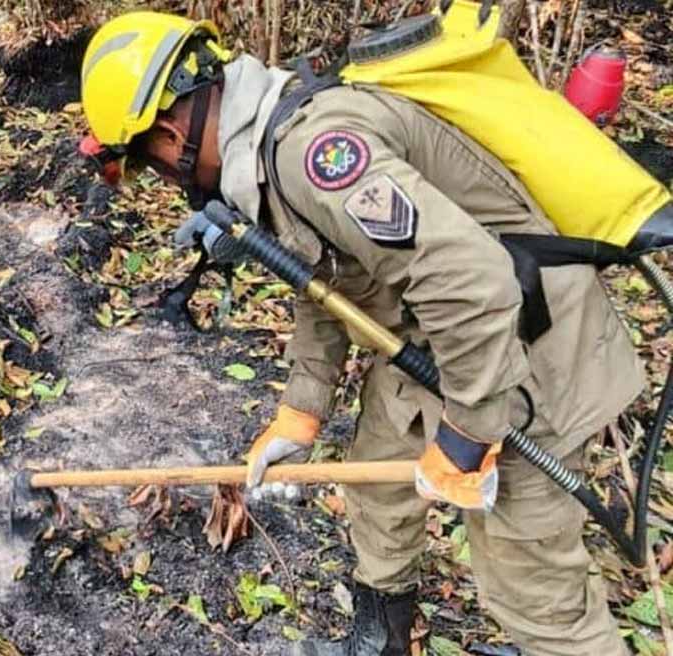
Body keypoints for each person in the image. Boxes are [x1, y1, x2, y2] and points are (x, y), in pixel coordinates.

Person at [78, 11, 649, 656]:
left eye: (147, 164)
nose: (163, 179)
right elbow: (327, 277)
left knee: (531, 586)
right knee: (376, 490)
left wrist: (465, 436)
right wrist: (302, 408)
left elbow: (474, 287)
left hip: (524, 354)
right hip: (430, 346)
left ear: (170, 132)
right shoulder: (268, 143)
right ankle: (381, 641)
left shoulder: (313, 151)